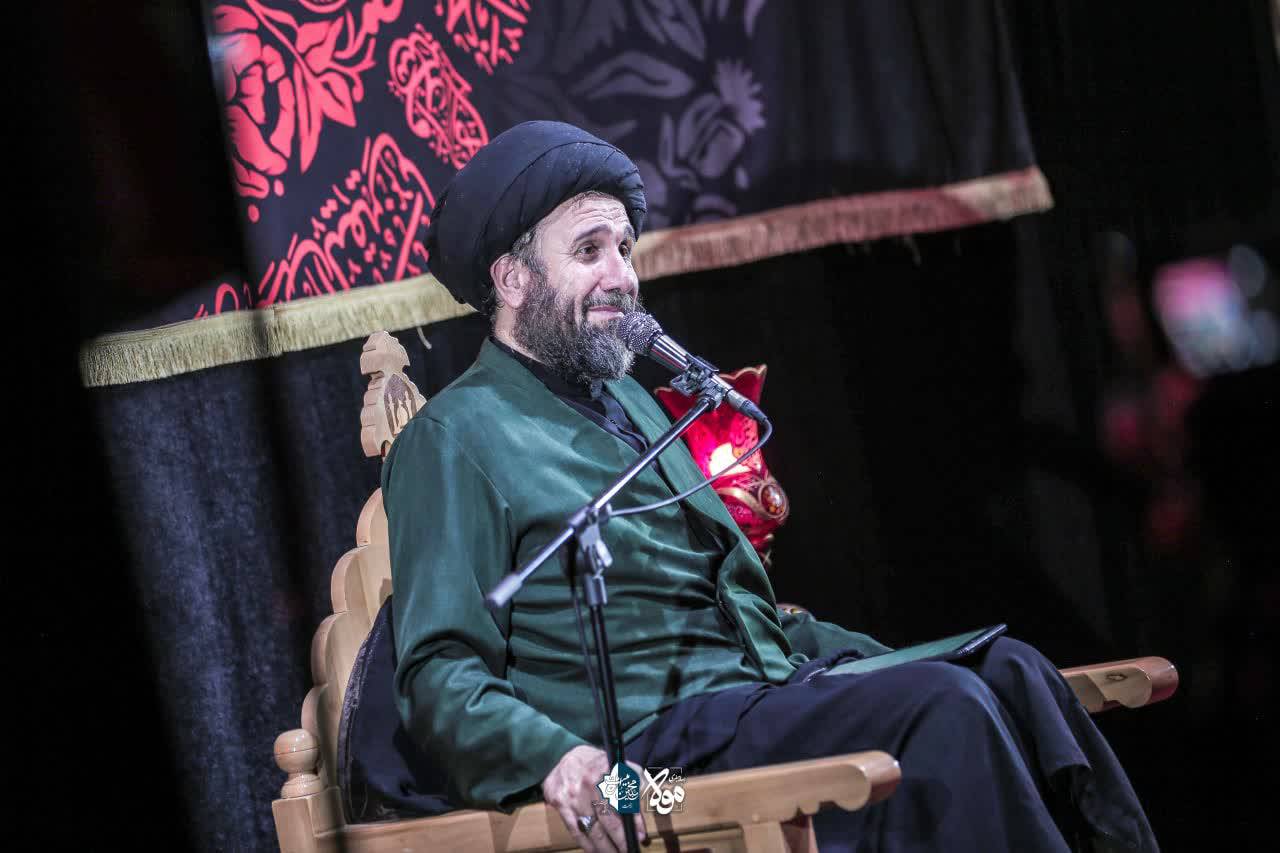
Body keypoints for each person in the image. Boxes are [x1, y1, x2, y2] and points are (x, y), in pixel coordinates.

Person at [383, 121, 1158, 852]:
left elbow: (739, 608)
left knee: (1007, 669)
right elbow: (438, 674)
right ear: (513, 278)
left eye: (624, 247)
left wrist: (882, 666)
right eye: (589, 250)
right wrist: (558, 758)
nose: (623, 276)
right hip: (652, 776)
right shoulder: (454, 435)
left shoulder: (632, 402)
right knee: (946, 709)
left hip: (755, 707)